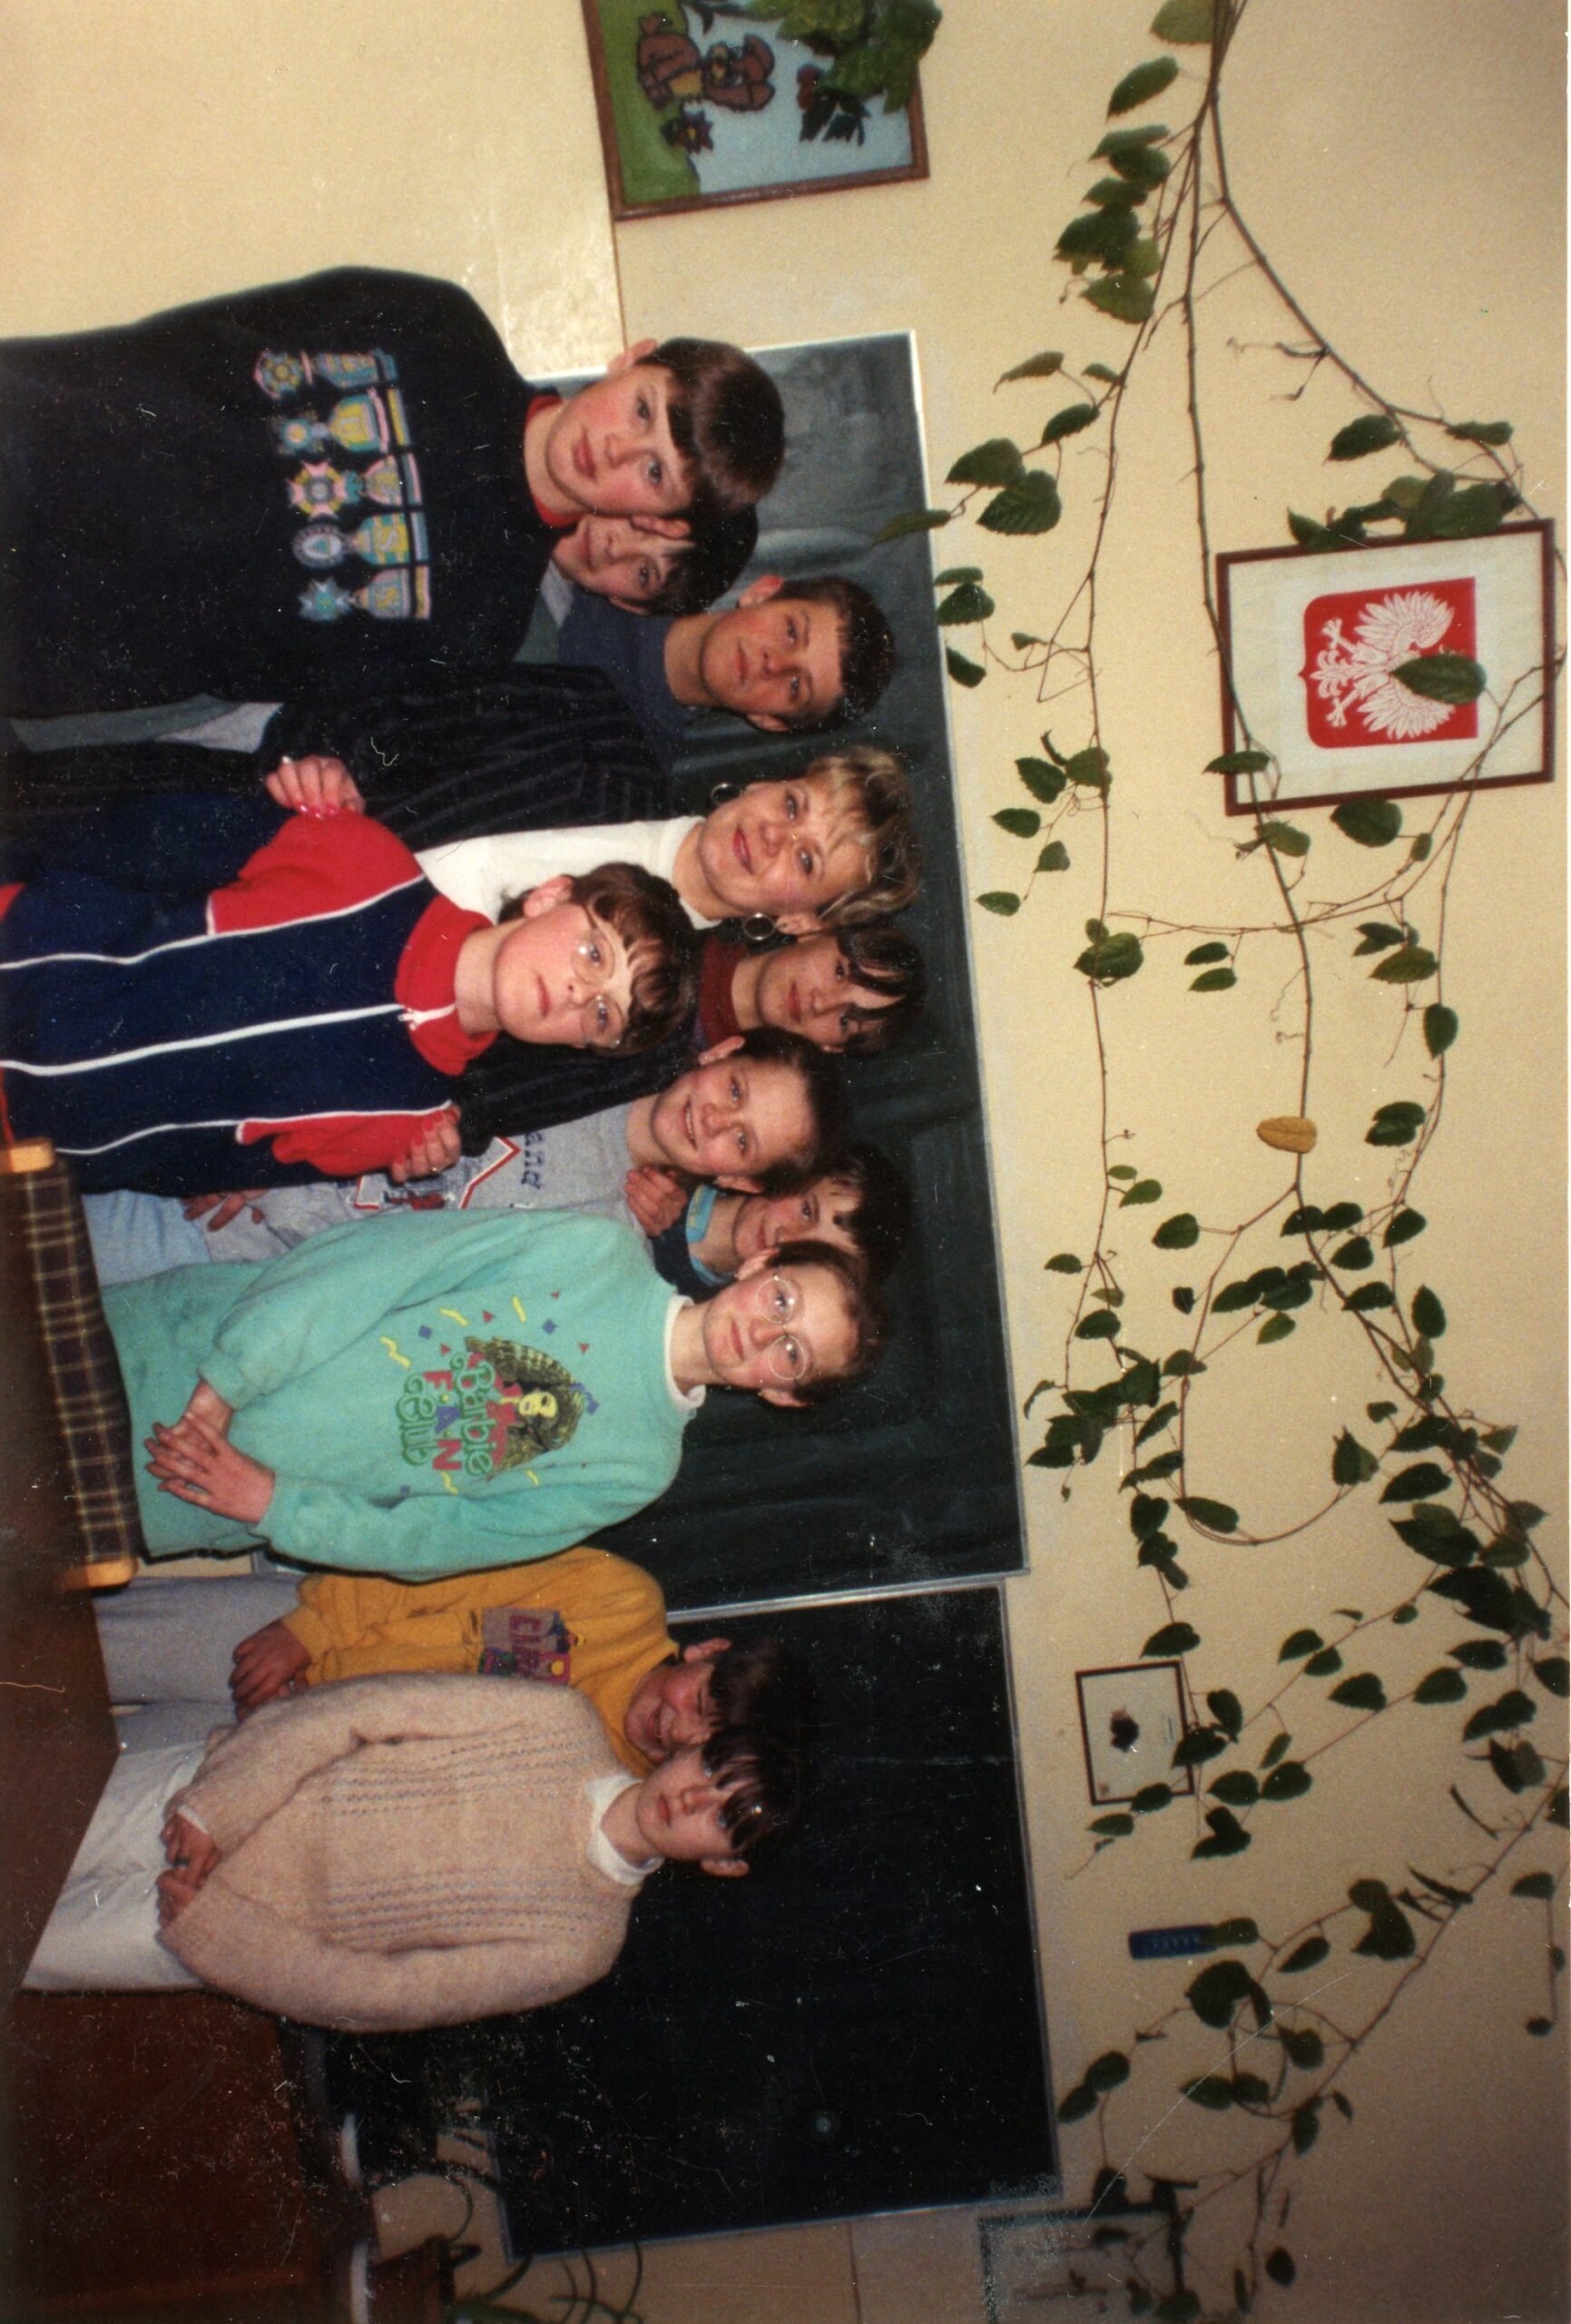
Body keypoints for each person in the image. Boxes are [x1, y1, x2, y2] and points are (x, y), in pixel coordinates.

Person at [0, 267, 784, 716]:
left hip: (49, 628)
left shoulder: (482, 625)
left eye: (653, 472)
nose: (616, 447)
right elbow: (199, 336)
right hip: (42, 438)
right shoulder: (443, 325)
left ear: (658, 520)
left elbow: (264, 676)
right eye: (641, 410)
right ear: (630, 358)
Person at [106, 1206, 888, 1575]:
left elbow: (436, 1542)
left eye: (791, 1355)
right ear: (760, 1265)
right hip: (171, 1352)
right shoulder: (597, 1250)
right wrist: (226, 1382)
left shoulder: (639, 1470)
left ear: (785, 1397)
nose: (762, 1334)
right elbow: (374, 1263)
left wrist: (273, 1506)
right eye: (781, 1301)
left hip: (187, 1493)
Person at [0, 786, 697, 1195]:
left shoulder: (407, 1121)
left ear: (581, 1046)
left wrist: (67, 1163)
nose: (576, 993)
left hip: (24, 1138)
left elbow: (203, 1161)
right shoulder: (365, 861)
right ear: (550, 896)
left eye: (600, 1014)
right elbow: (147, 837)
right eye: (593, 953)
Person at [23, 1672, 805, 2030]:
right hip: (196, 1803)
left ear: (723, 1864)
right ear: (693, 1746)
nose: (691, 1800)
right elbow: (356, 1710)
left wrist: (215, 1936)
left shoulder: (582, 1947)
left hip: (196, 1924)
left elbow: (382, 1995)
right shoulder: (559, 1721)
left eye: (723, 1820)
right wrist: (215, 1808)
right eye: (710, 1772)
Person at [83, 1025, 850, 1281]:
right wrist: (279, 1144)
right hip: (242, 1148)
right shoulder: (583, 1041)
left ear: (737, 1176)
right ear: (721, 1050)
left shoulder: (609, 1244)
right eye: (736, 1089)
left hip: (239, 1262)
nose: (713, 1119)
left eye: (740, 1139)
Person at [93, 1548, 809, 1777]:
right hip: (300, 1635)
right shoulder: (621, 1601)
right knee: (81, 1649)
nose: (674, 1732)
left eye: (700, 1747)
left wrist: (304, 1737)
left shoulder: (608, 1785)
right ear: (707, 1652)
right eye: (699, 1703)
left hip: (296, 1750)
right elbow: (442, 1570)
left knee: (80, 1780)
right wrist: (309, 1629)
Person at [542, 571, 898, 769]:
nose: (774, 663)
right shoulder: (605, 558)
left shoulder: (626, 768)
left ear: (770, 720)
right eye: (791, 632)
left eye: (795, 685)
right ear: (762, 592)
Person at [637, 1141, 913, 1299]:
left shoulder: (704, 1313)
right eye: (806, 1211)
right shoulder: (674, 1158)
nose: (787, 1238)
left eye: (813, 1253)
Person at [698, 919, 927, 1056]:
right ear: (815, 931)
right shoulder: (696, 920)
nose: (821, 1004)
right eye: (839, 972)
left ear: (831, 1047)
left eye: (844, 1021)